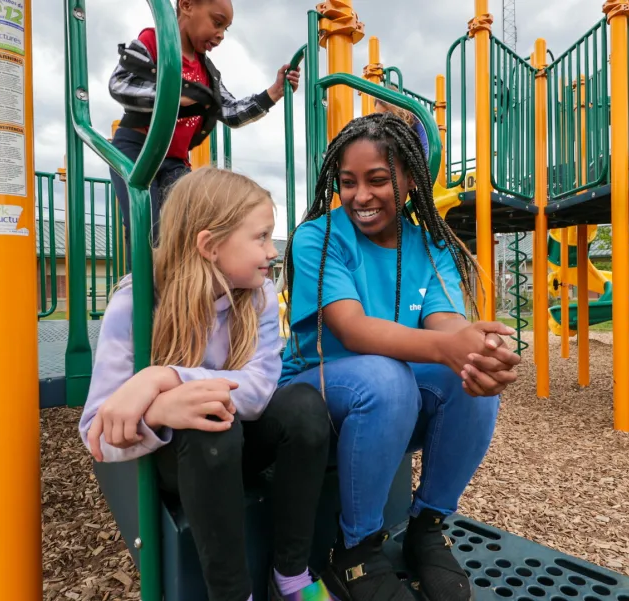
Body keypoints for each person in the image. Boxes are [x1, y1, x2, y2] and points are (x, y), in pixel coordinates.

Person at [278, 113, 521, 601]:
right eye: (348, 183)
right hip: (311, 394)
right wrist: (447, 347)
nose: (361, 196)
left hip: (388, 401)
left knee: (464, 372)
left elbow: (446, 323)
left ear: (409, 181)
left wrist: (478, 346)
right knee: (387, 378)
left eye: (378, 180)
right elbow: (352, 328)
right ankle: (357, 549)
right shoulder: (317, 238)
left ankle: (426, 527)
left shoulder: (430, 245)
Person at [80, 168, 335, 601]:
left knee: (305, 406)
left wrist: (164, 377)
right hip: (180, 459)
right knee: (207, 425)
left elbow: (258, 389)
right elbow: (96, 432)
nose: (272, 251)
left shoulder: (258, 297)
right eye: (261, 237)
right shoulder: (138, 301)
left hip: (237, 442)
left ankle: (290, 575)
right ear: (210, 245)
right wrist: (160, 412)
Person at [107, 0, 300, 252]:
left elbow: (231, 111)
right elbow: (120, 84)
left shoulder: (207, 72)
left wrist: (273, 93)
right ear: (187, 5)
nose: (220, 35)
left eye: (225, 29)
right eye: (217, 22)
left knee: (191, 225)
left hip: (174, 160)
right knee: (147, 225)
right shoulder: (154, 42)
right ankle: (140, 289)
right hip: (136, 147)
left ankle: (182, 287)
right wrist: (171, 96)